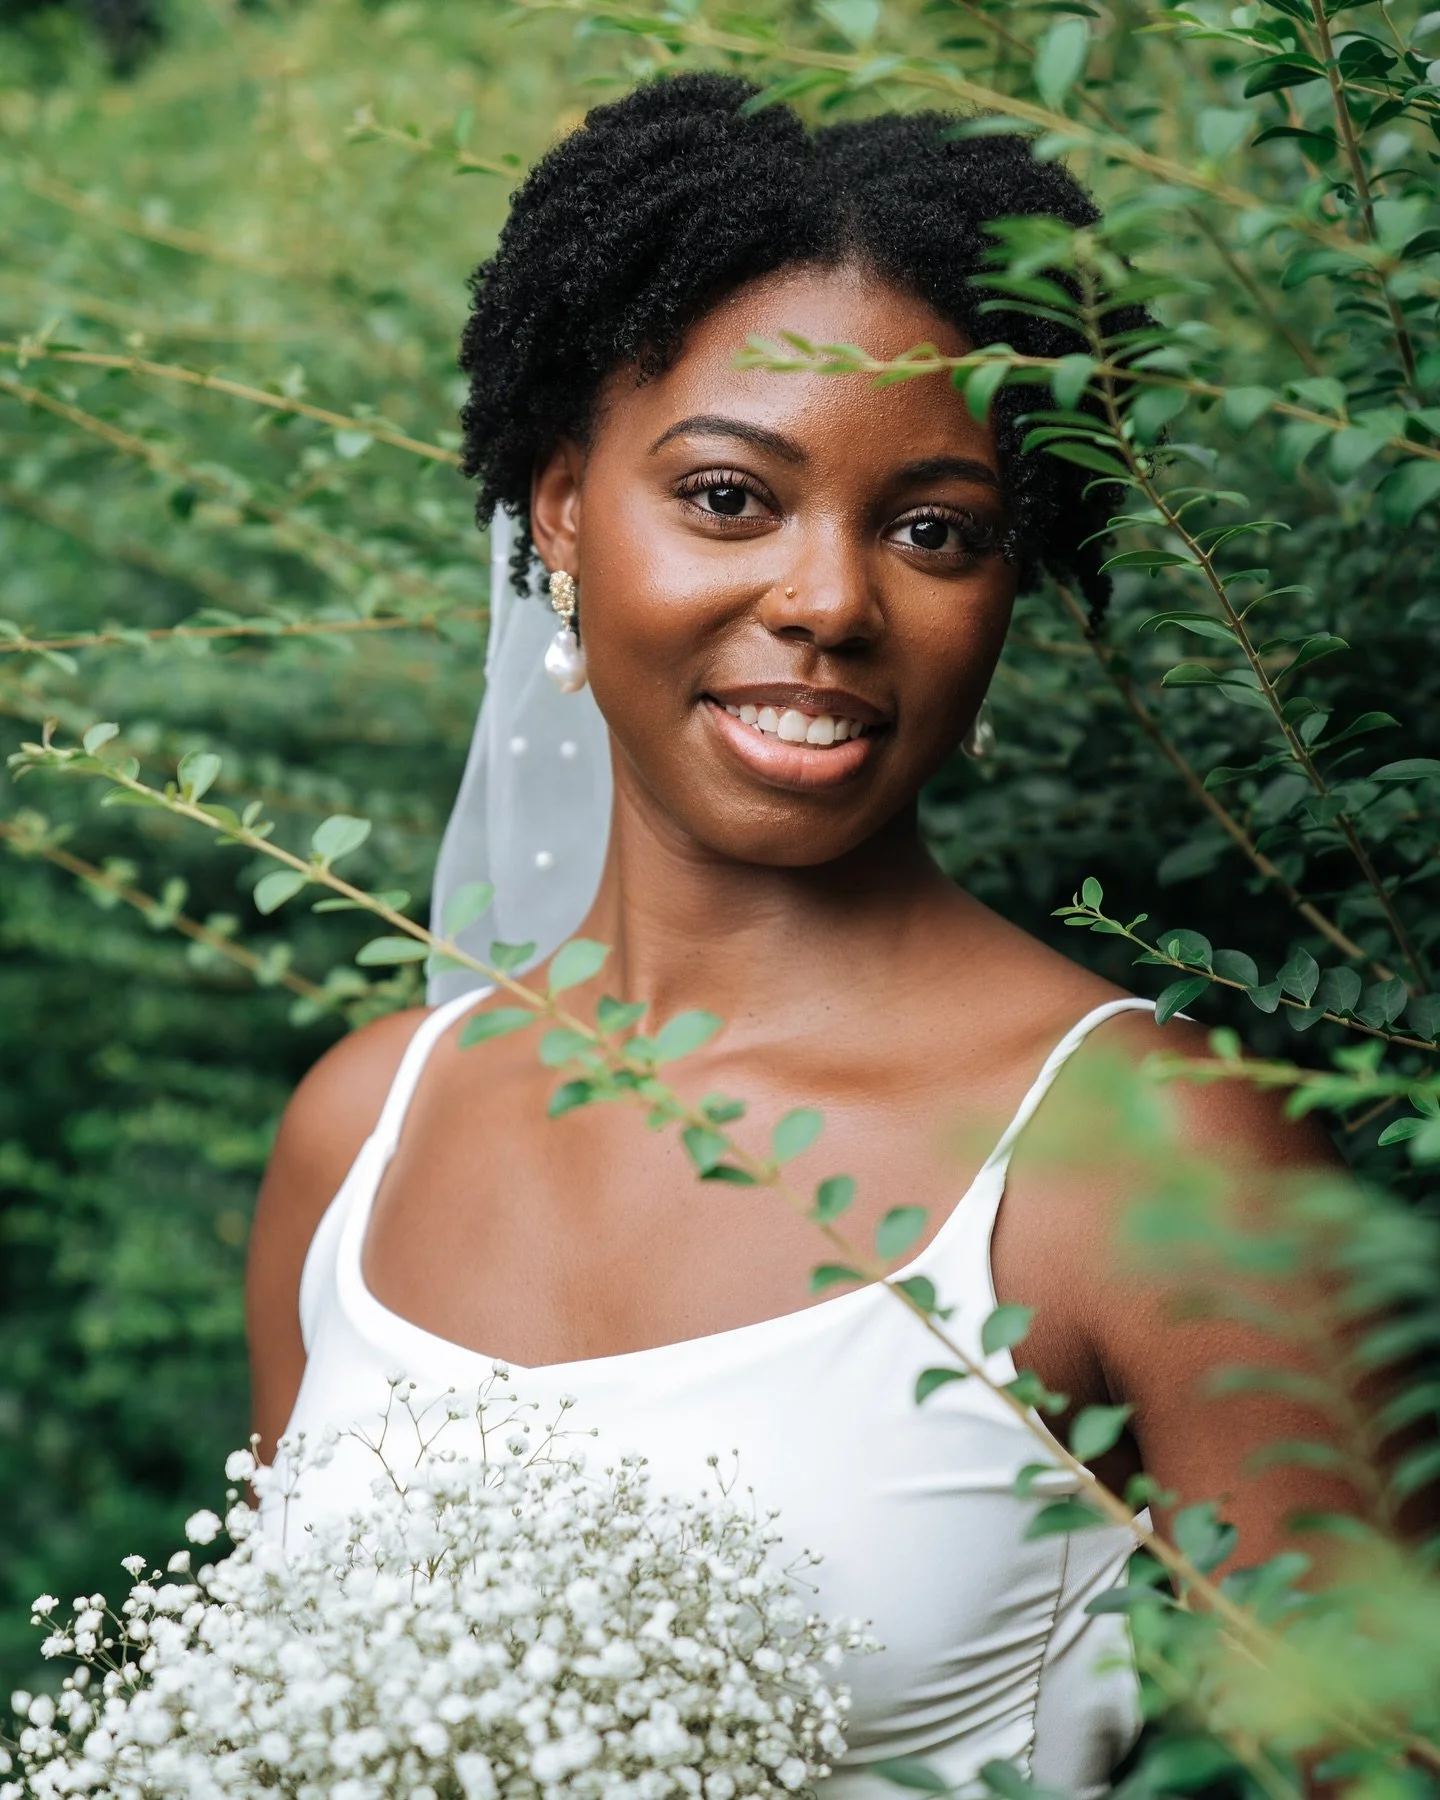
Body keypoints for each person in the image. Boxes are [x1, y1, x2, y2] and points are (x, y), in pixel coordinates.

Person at [246, 75, 1350, 1797]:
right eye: (730, 498)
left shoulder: (1144, 1161)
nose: (831, 601)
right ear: (557, 513)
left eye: (935, 531)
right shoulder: (362, 1136)